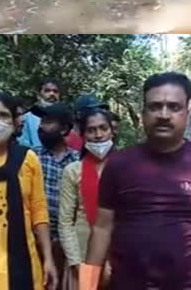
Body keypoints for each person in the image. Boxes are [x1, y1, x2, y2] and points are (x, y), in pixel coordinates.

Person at [81, 72, 191, 290]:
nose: (164, 114)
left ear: (187, 113)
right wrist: (86, 286)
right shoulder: (119, 164)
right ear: (143, 113)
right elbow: (102, 229)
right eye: (155, 106)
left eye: (174, 107)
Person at [0, 91, 58, 290]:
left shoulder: (28, 159)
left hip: (24, 263)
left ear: (14, 122)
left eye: (4, 115)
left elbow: (39, 213)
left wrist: (48, 259)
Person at [58, 108, 116, 290]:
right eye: (91, 130)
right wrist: (76, 262)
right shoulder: (73, 170)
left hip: (119, 257)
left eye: (103, 128)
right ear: (83, 135)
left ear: (112, 131)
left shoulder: (125, 167)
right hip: (82, 256)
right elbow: (65, 221)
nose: (98, 135)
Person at [36, 103, 80, 288]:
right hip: (37, 241)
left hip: (68, 245)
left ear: (63, 129)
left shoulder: (79, 161)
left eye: (47, 122)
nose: (41, 127)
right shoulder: (33, 156)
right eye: (41, 121)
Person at [18, 78, 62, 150]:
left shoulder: (64, 118)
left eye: (55, 91)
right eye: (47, 91)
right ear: (39, 95)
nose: (52, 94)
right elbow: (23, 146)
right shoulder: (27, 118)